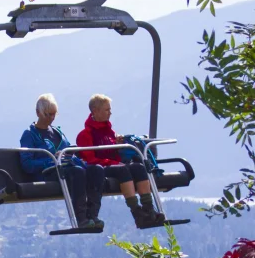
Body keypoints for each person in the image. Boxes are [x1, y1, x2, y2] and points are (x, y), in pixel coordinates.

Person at [19, 93, 105, 230]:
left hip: (66, 167)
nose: (51, 118)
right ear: (38, 113)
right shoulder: (29, 135)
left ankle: (93, 215)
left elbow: (68, 152)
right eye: (47, 114)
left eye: (54, 114)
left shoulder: (57, 132)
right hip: (48, 172)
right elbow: (27, 164)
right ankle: (81, 218)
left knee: (97, 170)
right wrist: (52, 160)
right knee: (77, 173)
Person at [76, 94, 163, 228]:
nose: (110, 113)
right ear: (95, 111)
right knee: (122, 170)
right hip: (101, 168)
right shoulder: (85, 135)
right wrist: (112, 162)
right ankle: (136, 212)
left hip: (114, 164)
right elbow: (90, 159)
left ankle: (148, 209)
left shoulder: (109, 131)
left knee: (138, 167)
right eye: (107, 110)